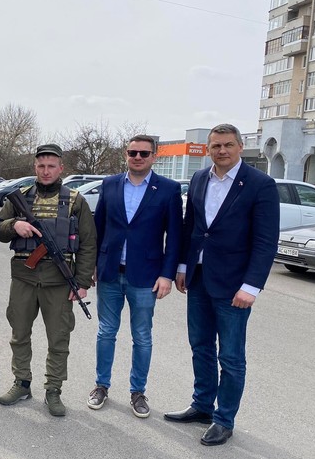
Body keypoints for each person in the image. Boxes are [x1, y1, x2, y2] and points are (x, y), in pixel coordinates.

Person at [164, 124, 279, 446]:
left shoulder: (260, 184)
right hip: (199, 277)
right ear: (208, 149)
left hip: (234, 285)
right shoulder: (200, 178)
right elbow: (192, 227)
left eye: (228, 145)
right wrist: (183, 266)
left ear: (240, 147)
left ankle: (224, 419)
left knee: (230, 356)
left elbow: (265, 241)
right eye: (216, 146)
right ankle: (202, 406)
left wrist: (251, 286)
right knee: (200, 347)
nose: (222, 150)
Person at [0, 143, 97, 417]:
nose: (46, 171)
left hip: (59, 282)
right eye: (41, 166)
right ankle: (22, 383)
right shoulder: (20, 197)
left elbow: (88, 244)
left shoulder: (75, 200)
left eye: (51, 166)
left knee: (59, 339)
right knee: (19, 334)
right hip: (24, 279)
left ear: (61, 168)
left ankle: (53, 390)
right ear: (35, 167)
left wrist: (82, 282)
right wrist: (14, 225)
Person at [88, 135, 183, 418]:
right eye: (133, 152)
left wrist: (167, 275)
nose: (138, 157)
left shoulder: (168, 189)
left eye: (144, 153)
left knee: (141, 336)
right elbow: (98, 228)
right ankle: (101, 385)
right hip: (109, 272)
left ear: (154, 156)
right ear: (126, 154)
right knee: (106, 332)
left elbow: (174, 237)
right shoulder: (110, 184)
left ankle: (138, 391)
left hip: (146, 276)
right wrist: (92, 264)